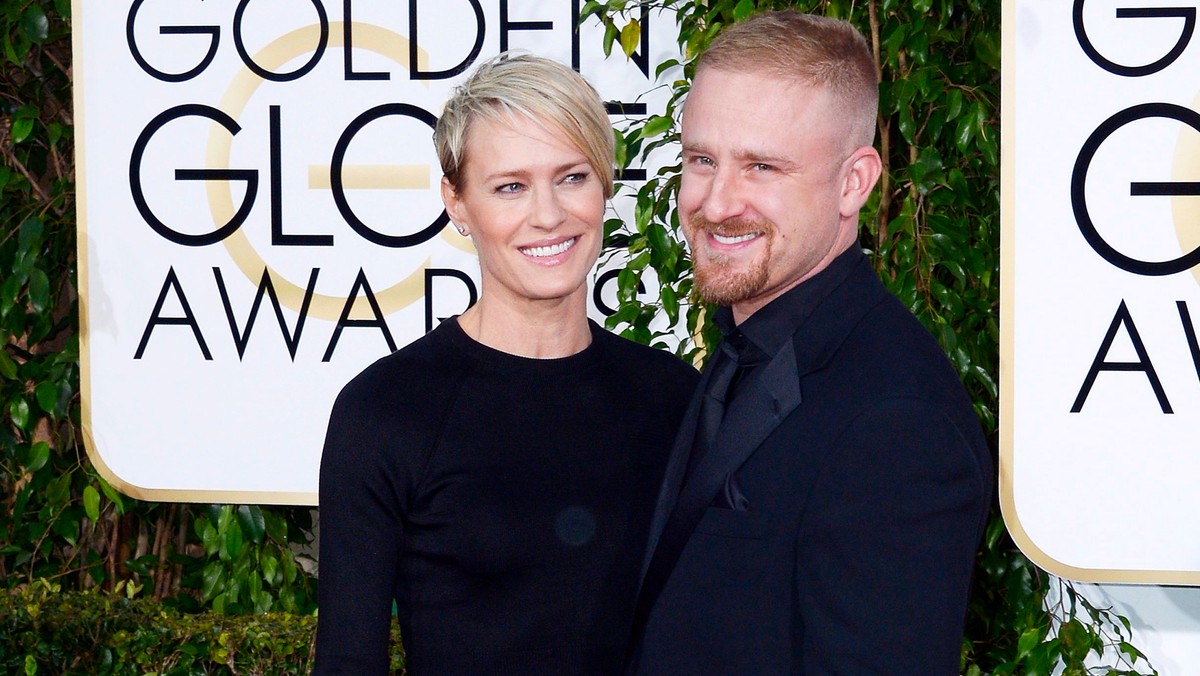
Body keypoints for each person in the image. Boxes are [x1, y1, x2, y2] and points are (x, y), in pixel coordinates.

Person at [626, 11, 993, 674]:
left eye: (762, 167)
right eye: (702, 160)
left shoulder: (896, 423)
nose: (714, 202)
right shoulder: (743, 340)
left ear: (854, 183)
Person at [313, 53, 698, 674]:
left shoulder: (672, 399)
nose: (548, 214)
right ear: (458, 204)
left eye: (572, 177)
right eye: (510, 186)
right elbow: (347, 660)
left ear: (604, 185)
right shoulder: (388, 410)